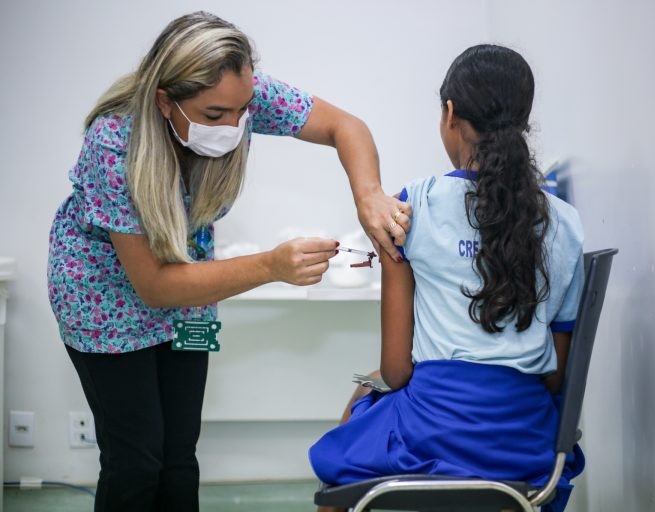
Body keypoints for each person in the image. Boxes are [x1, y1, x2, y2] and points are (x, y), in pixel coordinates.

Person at [47, 11, 411, 512]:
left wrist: (368, 195)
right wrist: (271, 267)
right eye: (215, 114)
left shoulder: (243, 95)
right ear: (165, 101)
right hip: (104, 297)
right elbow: (155, 286)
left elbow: (345, 126)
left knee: (179, 455)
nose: (234, 127)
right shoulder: (114, 143)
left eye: (242, 112)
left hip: (188, 285)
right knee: (136, 461)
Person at [309, 44, 586, 512]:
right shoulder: (565, 223)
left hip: (429, 433)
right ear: (522, 119)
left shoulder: (411, 207)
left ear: (450, 114)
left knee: (341, 457)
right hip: (525, 448)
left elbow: (396, 371)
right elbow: (554, 377)